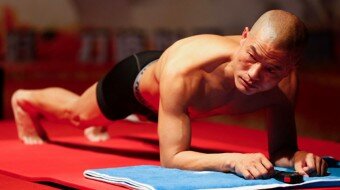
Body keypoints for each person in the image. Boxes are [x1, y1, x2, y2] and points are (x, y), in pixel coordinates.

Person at [11, 10, 328, 179]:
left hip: (175, 103)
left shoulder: (286, 85)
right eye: (252, 57)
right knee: (77, 116)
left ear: (291, 67)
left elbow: (283, 151)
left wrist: (300, 158)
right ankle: (24, 99)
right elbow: (171, 157)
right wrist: (232, 160)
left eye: (272, 69)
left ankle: (107, 121)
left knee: (146, 115)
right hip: (137, 85)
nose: (255, 75)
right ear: (244, 37)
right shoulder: (189, 70)